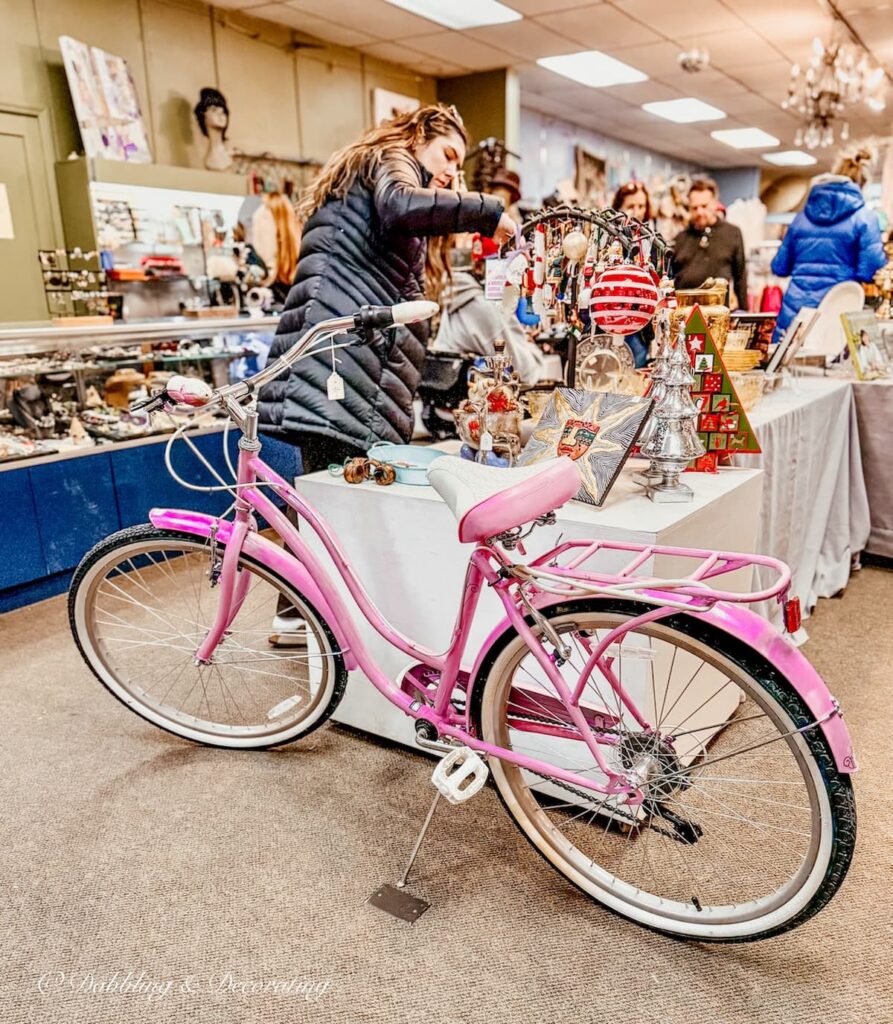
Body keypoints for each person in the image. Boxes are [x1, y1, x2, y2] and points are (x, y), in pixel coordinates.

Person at [257, 103, 515, 475]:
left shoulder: (371, 179)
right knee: (336, 511)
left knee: (328, 508)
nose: (451, 171)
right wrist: (487, 214)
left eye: (459, 166)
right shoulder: (390, 156)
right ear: (419, 135)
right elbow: (403, 205)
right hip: (341, 376)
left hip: (345, 377)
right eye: (448, 155)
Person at [770, 147, 886, 340]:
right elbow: (870, 269)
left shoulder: (800, 218)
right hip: (837, 308)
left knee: (786, 363)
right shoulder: (865, 217)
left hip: (795, 311)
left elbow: (779, 267)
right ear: (862, 184)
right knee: (831, 368)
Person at [431, 235, 546, 383]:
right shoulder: (482, 306)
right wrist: (532, 348)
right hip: (469, 397)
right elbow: (525, 372)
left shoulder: (460, 295)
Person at [672, 177, 748, 309]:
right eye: (694, 208)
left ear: (715, 204)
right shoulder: (680, 239)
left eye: (704, 206)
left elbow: (740, 277)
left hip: (719, 314)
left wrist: (744, 313)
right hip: (685, 313)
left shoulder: (732, 233)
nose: (700, 212)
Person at [611, 180, 656, 366]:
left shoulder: (652, 242)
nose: (637, 211)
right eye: (630, 206)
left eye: (641, 206)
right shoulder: (609, 240)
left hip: (642, 325)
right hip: (613, 321)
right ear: (619, 208)